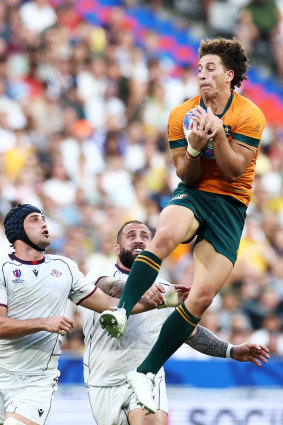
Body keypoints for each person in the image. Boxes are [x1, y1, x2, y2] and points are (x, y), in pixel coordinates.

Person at [99, 37, 266, 413]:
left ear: (229, 75)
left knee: (202, 297)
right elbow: (186, 174)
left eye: (210, 69)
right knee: (166, 235)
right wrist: (193, 147)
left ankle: (145, 371)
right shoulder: (181, 114)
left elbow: (234, 170)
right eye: (198, 69)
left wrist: (218, 133)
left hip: (230, 206)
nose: (202, 75)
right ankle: (122, 311)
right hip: (193, 193)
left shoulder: (250, 114)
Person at [0, 204, 180, 425]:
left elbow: (109, 304)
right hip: (7, 369)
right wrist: (43, 323)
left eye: (44, 218)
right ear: (18, 230)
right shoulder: (3, 268)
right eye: (35, 220)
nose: (44, 223)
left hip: (35, 381)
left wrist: (159, 302)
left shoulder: (64, 268)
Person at [84, 220, 269, 425]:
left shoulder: (165, 289)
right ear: (117, 249)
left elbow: (187, 332)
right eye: (131, 236)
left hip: (146, 378)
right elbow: (107, 287)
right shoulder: (98, 274)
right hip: (102, 382)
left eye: (145, 236)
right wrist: (139, 287)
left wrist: (231, 350)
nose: (139, 240)